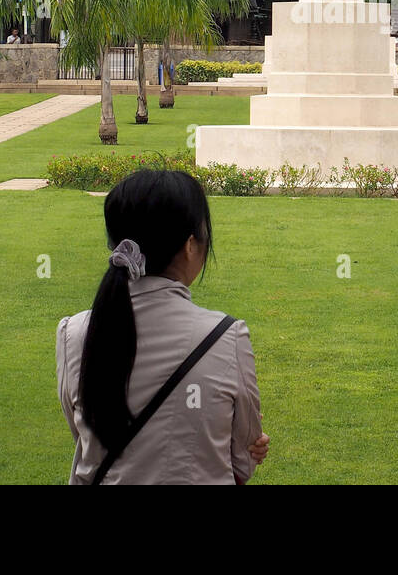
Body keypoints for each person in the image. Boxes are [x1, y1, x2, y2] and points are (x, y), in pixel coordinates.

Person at [57, 169, 268, 484]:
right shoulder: (226, 337)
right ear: (190, 245)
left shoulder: (72, 334)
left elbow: (87, 441)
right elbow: (241, 462)